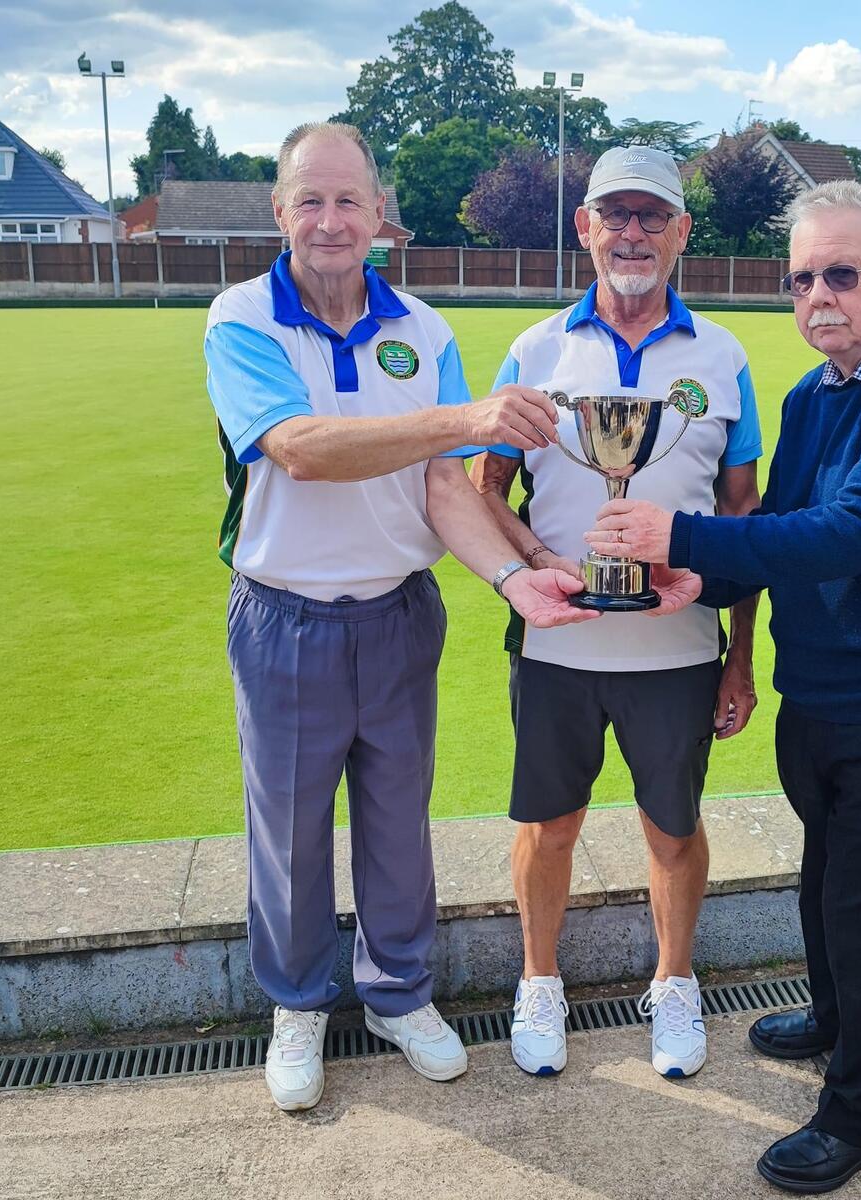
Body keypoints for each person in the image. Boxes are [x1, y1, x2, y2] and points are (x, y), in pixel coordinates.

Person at [585, 179, 861, 1193]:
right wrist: (691, 581)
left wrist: (676, 532)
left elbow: (852, 529)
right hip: (818, 700)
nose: (819, 296)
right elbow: (780, 527)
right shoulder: (815, 395)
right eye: (803, 277)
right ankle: (831, 1019)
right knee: (826, 891)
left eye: (843, 274)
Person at [203, 121, 595, 1112]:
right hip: (284, 615)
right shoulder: (240, 316)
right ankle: (298, 1004)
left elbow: (445, 492)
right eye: (310, 200)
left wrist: (513, 579)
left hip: (397, 613)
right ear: (280, 211)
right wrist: (465, 421)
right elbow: (300, 448)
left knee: (395, 823)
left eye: (349, 200)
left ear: (381, 212)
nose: (331, 221)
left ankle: (396, 993)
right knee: (288, 829)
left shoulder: (422, 328)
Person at [469, 146, 762, 1080]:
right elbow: (483, 495)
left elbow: (747, 519)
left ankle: (675, 984)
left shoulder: (723, 356)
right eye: (615, 215)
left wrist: (739, 656)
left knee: (673, 828)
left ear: (681, 233)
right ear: (584, 227)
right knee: (549, 825)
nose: (632, 232)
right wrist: (537, 564)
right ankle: (539, 983)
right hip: (559, 645)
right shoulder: (536, 351)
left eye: (652, 217)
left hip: (680, 646)